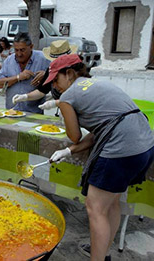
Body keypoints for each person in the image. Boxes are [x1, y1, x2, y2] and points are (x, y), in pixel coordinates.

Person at [46, 54, 154, 261]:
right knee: (111, 204)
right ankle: (102, 251)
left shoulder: (68, 96)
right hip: (145, 144)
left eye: (55, 80)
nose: (55, 86)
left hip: (121, 148)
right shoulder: (97, 84)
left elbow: (74, 135)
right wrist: (69, 151)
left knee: (95, 208)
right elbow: (103, 128)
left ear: (69, 74)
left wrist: (62, 107)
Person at [12, 40, 78, 111]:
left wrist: (55, 103)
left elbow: (78, 97)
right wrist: (25, 96)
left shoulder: (77, 69)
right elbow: (42, 90)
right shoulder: (51, 69)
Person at [0, 32, 50, 113]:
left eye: (22, 50)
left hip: (34, 113)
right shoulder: (9, 61)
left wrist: (46, 74)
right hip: (12, 112)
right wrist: (17, 77)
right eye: (16, 50)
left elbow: (57, 77)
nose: (19, 54)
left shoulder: (43, 58)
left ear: (31, 47)